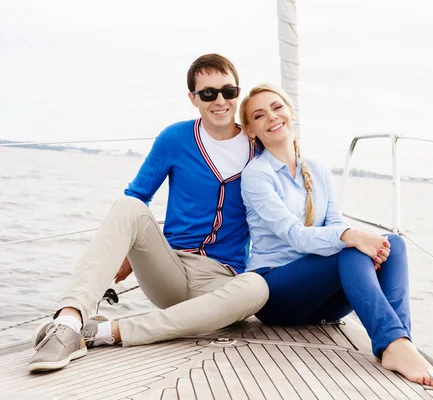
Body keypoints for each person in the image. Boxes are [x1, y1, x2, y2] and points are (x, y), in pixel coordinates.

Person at [29, 54, 269, 372]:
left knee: (257, 288)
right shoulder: (175, 138)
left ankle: (104, 332)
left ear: (238, 92)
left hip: (221, 280)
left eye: (228, 91)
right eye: (208, 93)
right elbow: (136, 197)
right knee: (128, 206)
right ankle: (69, 322)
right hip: (169, 268)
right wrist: (127, 252)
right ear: (193, 99)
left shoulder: (259, 146)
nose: (220, 100)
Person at [238, 83, 433, 386]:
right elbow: (294, 235)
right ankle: (393, 342)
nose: (272, 117)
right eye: (259, 115)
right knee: (352, 245)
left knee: (392, 244)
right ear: (251, 130)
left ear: (290, 112)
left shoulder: (316, 168)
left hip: (321, 304)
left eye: (277, 107)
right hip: (277, 293)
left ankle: (399, 343)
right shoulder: (257, 174)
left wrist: (362, 241)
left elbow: (334, 223)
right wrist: (353, 237)